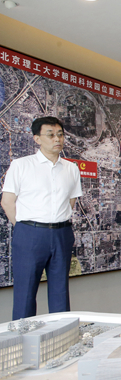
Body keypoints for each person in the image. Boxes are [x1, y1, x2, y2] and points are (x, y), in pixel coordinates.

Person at [1, 116, 82, 320]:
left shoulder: (71, 168)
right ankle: (22, 336)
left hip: (62, 233)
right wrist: (26, 227)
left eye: (60, 134)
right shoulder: (21, 165)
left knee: (60, 291)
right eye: (51, 135)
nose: (57, 139)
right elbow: (7, 202)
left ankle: (61, 334)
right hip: (30, 234)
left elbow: (70, 202)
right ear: (37, 139)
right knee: (25, 292)